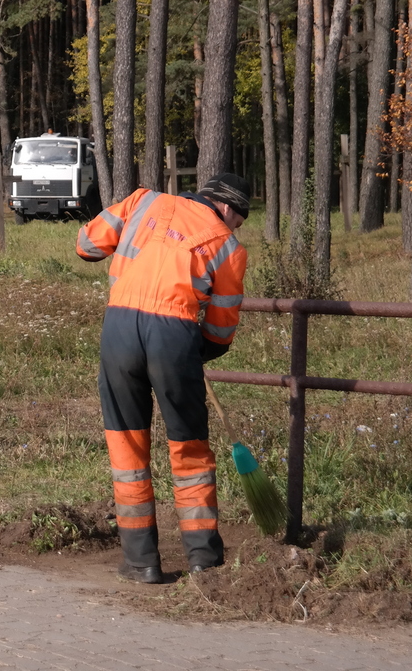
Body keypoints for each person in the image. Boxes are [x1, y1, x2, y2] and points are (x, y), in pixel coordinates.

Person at [75, 173, 250, 584]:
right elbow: (222, 329)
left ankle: (142, 563)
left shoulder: (142, 201)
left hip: (118, 329)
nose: (234, 228)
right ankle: (203, 561)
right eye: (237, 220)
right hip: (173, 336)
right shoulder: (227, 245)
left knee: (126, 445)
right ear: (226, 208)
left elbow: (86, 246)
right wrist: (196, 351)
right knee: (188, 448)